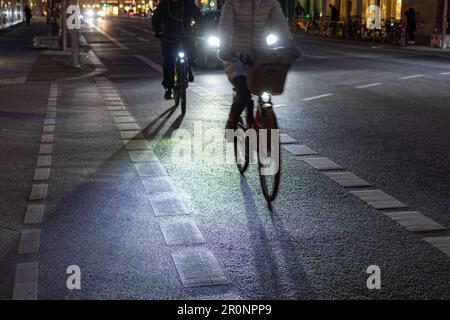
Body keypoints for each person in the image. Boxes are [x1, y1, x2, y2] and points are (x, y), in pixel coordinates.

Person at [218, 0, 300, 130]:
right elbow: (225, 26)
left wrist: (289, 44)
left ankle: (266, 120)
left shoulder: (270, 2)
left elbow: (280, 25)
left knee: (266, 89)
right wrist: (224, 46)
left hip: (261, 57)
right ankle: (232, 119)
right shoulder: (232, 3)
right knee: (243, 94)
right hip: (236, 56)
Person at [152, 0, 202, 100]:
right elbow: (156, 19)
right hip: (169, 37)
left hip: (186, 35)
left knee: (191, 50)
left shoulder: (188, 3)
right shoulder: (164, 4)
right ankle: (169, 88)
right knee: (168, 61)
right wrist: (157, 31)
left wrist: (201, 29)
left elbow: (199, 17)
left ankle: (190, 66)